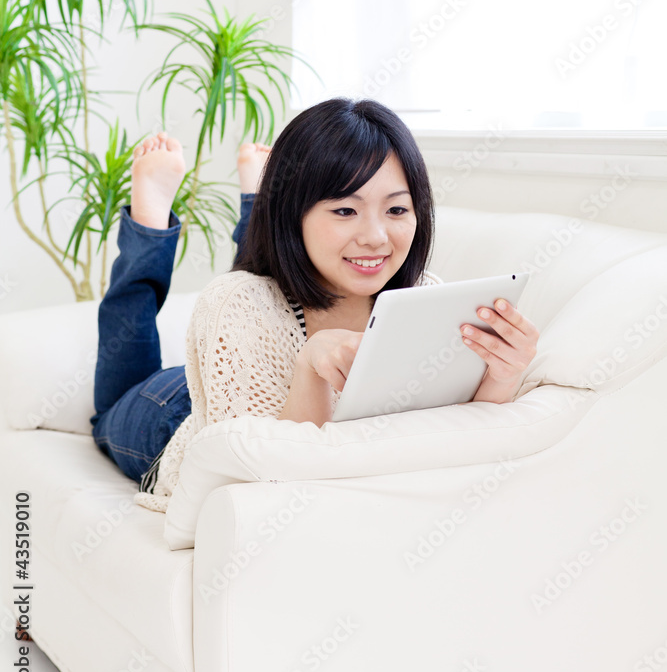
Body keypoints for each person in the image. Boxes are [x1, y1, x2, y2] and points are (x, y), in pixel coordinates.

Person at [90, 98, 539, 513]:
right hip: (176, 413)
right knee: (109, 411)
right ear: (295, 214)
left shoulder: (424, 295)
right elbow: (262, 485)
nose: (377, 237)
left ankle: (258, 196)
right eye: (346, 210)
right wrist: (309, 365)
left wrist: (501, 373)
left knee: (251, 284)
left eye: (397, 210)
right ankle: (149, 221)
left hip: (247, 357)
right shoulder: (235, 304)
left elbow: (455, 434)